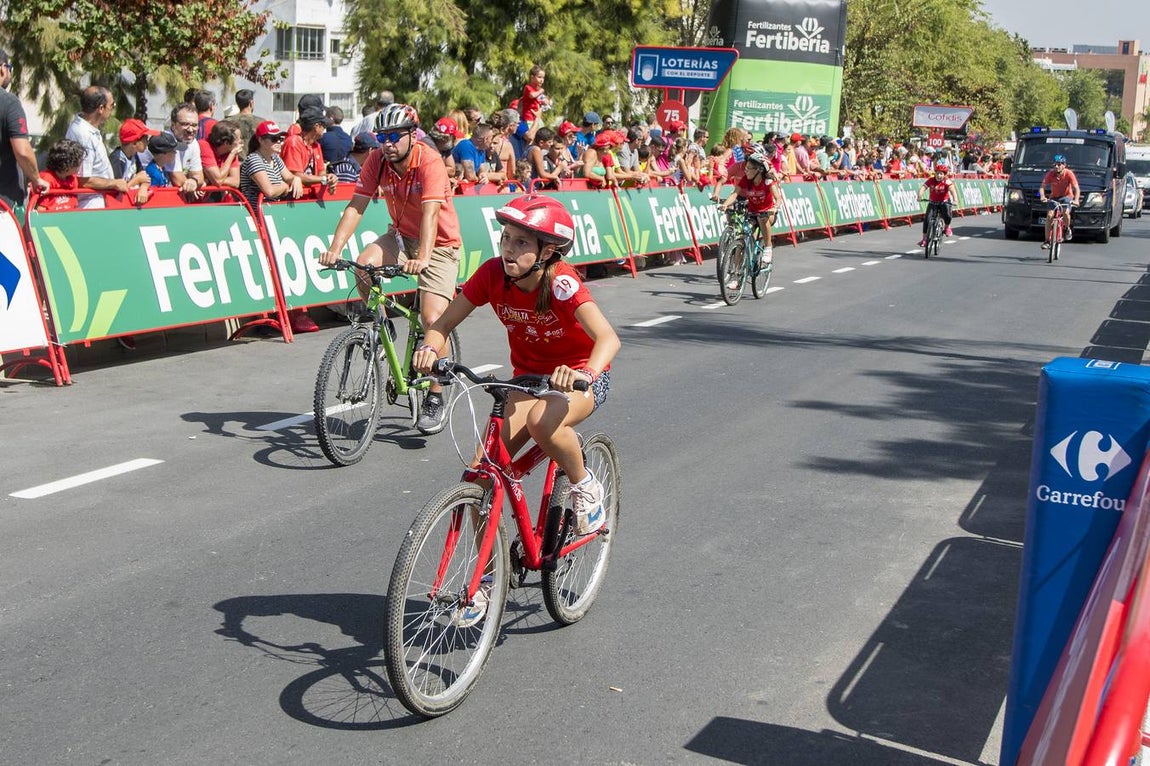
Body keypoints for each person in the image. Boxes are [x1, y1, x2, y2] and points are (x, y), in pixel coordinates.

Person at [412, 193, 620, 547]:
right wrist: (430, 347)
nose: (508, 248)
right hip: (527, 381)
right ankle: (488, 575)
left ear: (547, 251)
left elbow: (608, 338)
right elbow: (442, 324)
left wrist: (585, 373)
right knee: (479, 477)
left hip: (580, 379)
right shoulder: (492, 274)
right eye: (506, 237)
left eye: (521, 242)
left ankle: (584, 485)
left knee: (542, 422)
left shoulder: (561, 283)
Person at [319, 103, 462, 434]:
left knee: (432, 320)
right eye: (382, 137)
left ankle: (435, 395)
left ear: (413, 135)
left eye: (395, 136)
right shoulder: (377, 160)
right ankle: (381, 326)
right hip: (400, 237)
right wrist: (335, 249)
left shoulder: (429, 161)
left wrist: (423, 257)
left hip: (439, 245)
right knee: (362, 266)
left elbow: (431, 214)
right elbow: (356, 206)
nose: (388, 143)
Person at [0, 50, 48, 209]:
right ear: (3, 69)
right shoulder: (9, 103)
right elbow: (22, 151)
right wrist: (36, 178)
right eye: (10, 69)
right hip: (3, 203)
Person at [65, 86, 124, 209]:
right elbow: (83, 180)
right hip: (90, 204)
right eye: (112, 105)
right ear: (101, 108)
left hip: (99, 201)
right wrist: (114, 183)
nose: (112, 109)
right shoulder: (84, 135)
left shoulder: (86, 129)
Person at [718, 151, 778, 268]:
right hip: (752, 213)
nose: (746, 171)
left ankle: (768, 248)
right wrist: (725, 204)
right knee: (742, 238)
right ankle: (736, 271)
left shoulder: (768, 181)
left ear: (759, 170)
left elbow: (778, 198)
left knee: (762, 218)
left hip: (767, 213)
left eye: (749, 168)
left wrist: (775, 207)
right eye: (746, 168)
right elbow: (735, 194)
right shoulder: (745, 180)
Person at [238, 120, 303, 211]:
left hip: (272, 211)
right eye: (274, 138)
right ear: (261, 140)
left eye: (280, 138)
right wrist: (284, 187)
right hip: (256, 214)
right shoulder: (254, 159)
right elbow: (269, 191)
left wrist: (296, 179)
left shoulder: (275, 158)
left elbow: (289, 177)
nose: (279, 142)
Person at [282, 106, 337, 196]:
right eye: (323, 125)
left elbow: (321, 173)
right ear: (316, 127)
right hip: (292, 197)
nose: (325, 128)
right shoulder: (293, 142)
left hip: (312, 196)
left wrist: (330, 178)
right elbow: (296, 176)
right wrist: (323, 179)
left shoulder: (316, 146)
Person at [165, 102, 206, 200]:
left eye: (194, 125)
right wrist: (193, 184)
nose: (190, 130)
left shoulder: (193, 142)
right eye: (185, 124)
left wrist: (194, 181)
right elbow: (176, 179)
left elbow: (199, 176)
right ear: (173, 125)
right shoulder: (167, 140)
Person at [1038, 153, 1080, 249]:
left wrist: (1076, 200)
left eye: (1059, 164)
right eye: (1055, 164)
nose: (1056, 166)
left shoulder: (1069, 173)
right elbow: (1042, 187)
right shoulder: (1050, 174)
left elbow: (1076, 188)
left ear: (1064, 165)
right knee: (1049, 216)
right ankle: (1047, 241)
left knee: (1065, 212)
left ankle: (1067, 228)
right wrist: (1042, 196)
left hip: (1066, 196)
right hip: (1054, 197)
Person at [36, 138, 86, 211]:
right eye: (78, 162)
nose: (80, 165)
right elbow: (41, 209)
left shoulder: (72, 179)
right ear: (67, 163)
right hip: (51, 217)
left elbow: (74, 205)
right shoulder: (46, 179)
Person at [917, 162, 958, 246]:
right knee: (927, 219)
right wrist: (919, 196)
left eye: (941, 174)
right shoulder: (931, 180)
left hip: (944, 201)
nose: (939, 175)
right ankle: (924, 239)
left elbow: (953, 191)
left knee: (947, 215)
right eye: (937, 173)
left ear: (944, 175)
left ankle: (947, 227)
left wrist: (955, 200)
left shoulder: (947, 181)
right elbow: (923, 188)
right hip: (933, 202)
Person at [109, 118, 158, 188]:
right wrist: (136, 180)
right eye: (145, 139)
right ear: (134, 143)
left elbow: (144, 177)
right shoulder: (117, 159)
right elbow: (117, 189)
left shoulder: (134, 155)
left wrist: (143, 188)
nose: (147, 142)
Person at [200, 120, 243, 190]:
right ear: (226, 143)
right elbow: (218, 181)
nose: (240, 141)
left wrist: (208, 180)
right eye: (238, 139)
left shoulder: (231, 151)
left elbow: (235, 182)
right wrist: (232, 155)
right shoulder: (204, 146)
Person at [233, 88, 263, 157]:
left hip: (235, 161)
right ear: (251, 103)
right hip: (256, 161)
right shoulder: (262, 123)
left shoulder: (227, 123)